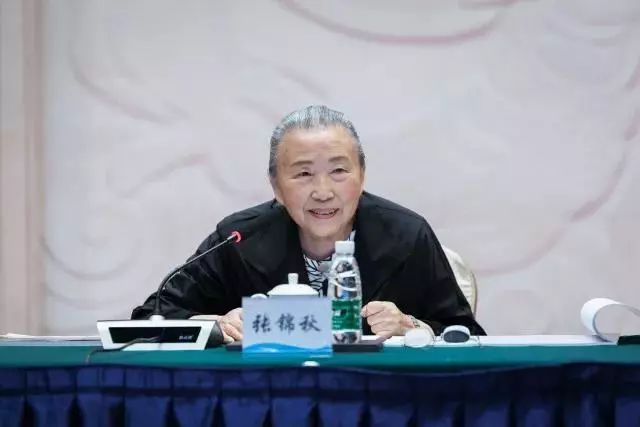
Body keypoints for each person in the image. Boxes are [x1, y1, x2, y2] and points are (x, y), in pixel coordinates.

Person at [131, 105, 485, 341]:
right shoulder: (239, 238)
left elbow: (468, 335)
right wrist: (215, 324)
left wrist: (411, 326)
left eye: (339, 171)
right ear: (276, 187)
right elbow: (149, 318)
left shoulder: (406, 235)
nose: (323, 192)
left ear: (362, 176)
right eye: (303, 174)